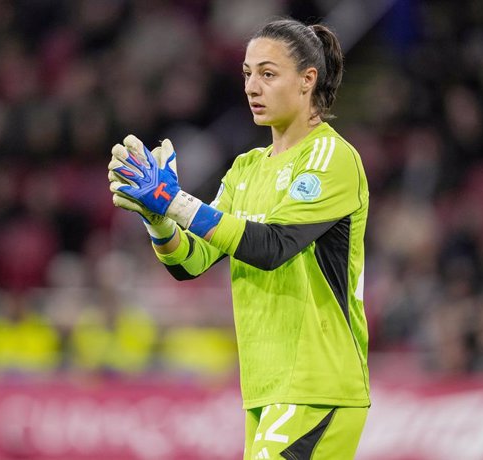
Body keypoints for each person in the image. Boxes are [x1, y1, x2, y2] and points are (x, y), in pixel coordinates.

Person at [107, 18, 370, 460]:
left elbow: (271, 248)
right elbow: (189, 263)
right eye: (248, 73)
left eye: (268, 74)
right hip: (265, 387)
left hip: (316, 385)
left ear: (308, 80)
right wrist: (159, 219)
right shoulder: (246, 168)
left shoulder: (331, 158)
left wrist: (175, 201)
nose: (252, 86)